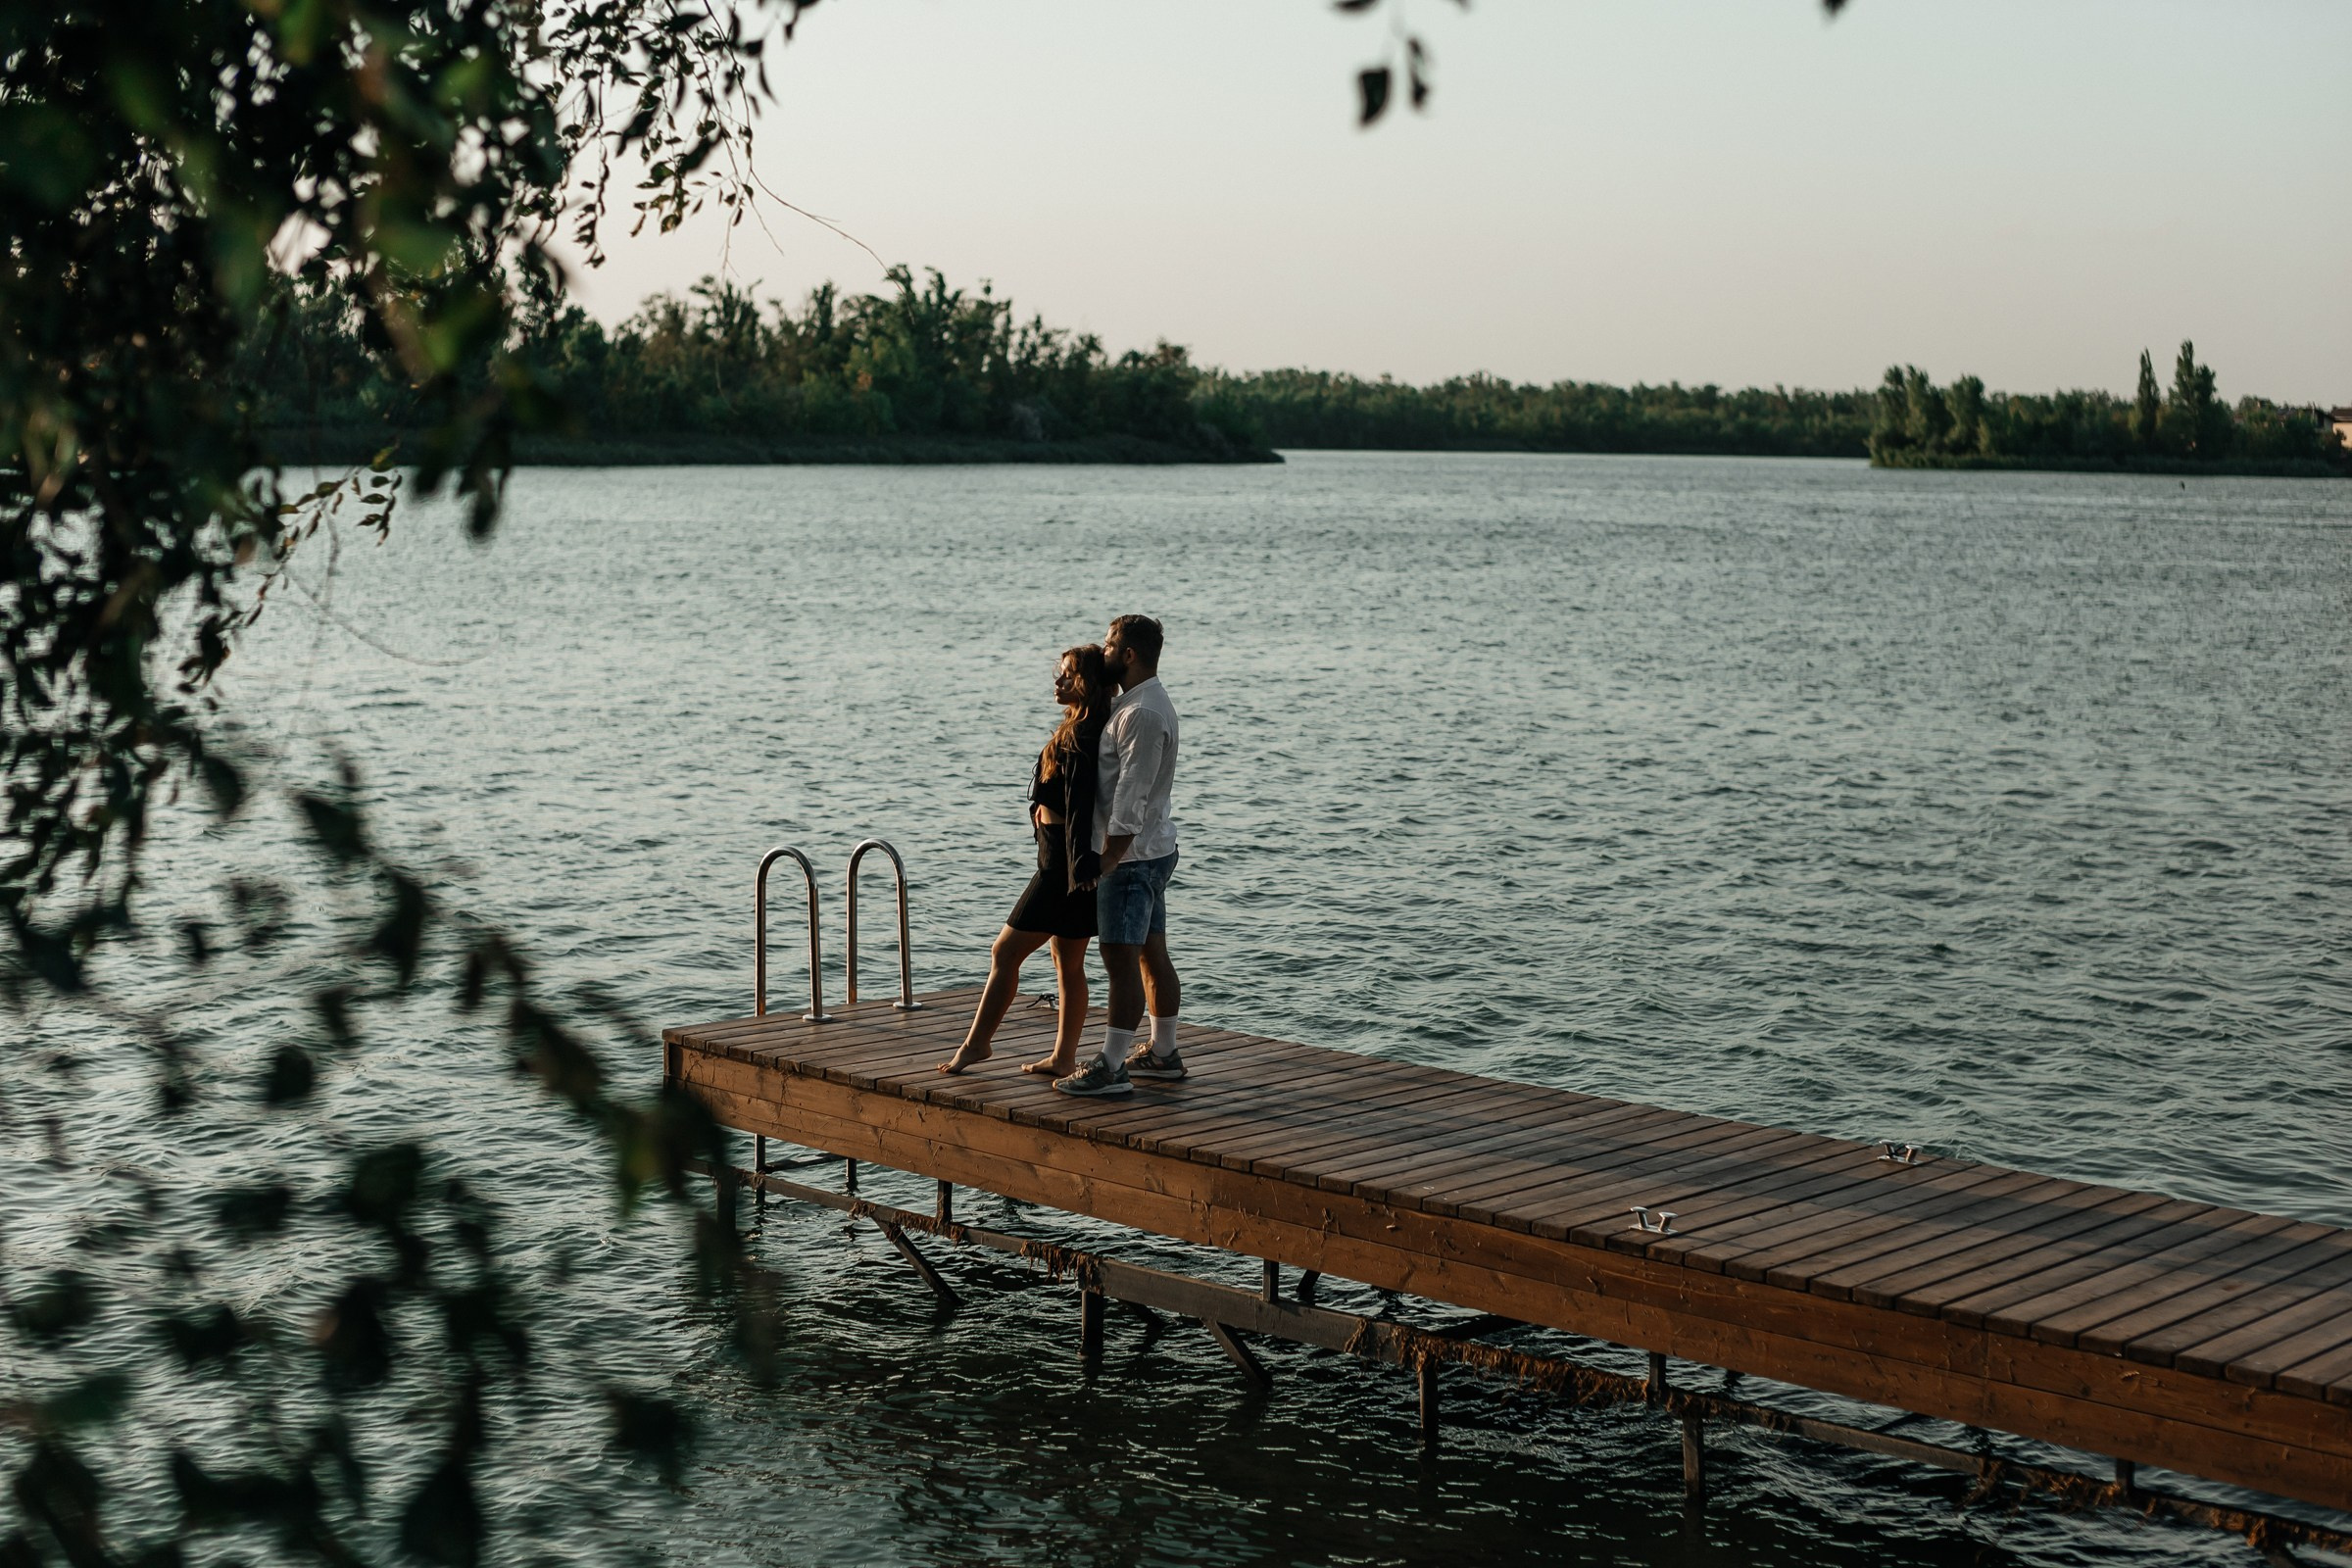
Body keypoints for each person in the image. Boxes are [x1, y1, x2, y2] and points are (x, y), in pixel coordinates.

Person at [939, 645, 1112, 1077]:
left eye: (1069, 675)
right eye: (1060, 673)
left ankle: (977, 1044)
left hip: (1062, 866)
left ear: (1088, 683)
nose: (1059, 681)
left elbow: (1080, 807)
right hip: (1067, 859)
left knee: (1005, 951)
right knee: (1067, 961)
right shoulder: (1080, 727)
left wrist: (1079, 869)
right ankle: (1063, 1057)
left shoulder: (1083, 735)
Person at [1055, 613, 1184, 1098]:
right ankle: (1163, 1052)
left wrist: (1108, 858)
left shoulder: (1141, 714)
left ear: (1128, 654)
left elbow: (1131, 795)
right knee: (1151, 953)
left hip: (1131, 858)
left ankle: (1110, 1066)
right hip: (1152, 849)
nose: (1103, 651)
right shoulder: (1140, 703)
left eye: (1110, 646)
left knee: (1120, 959)